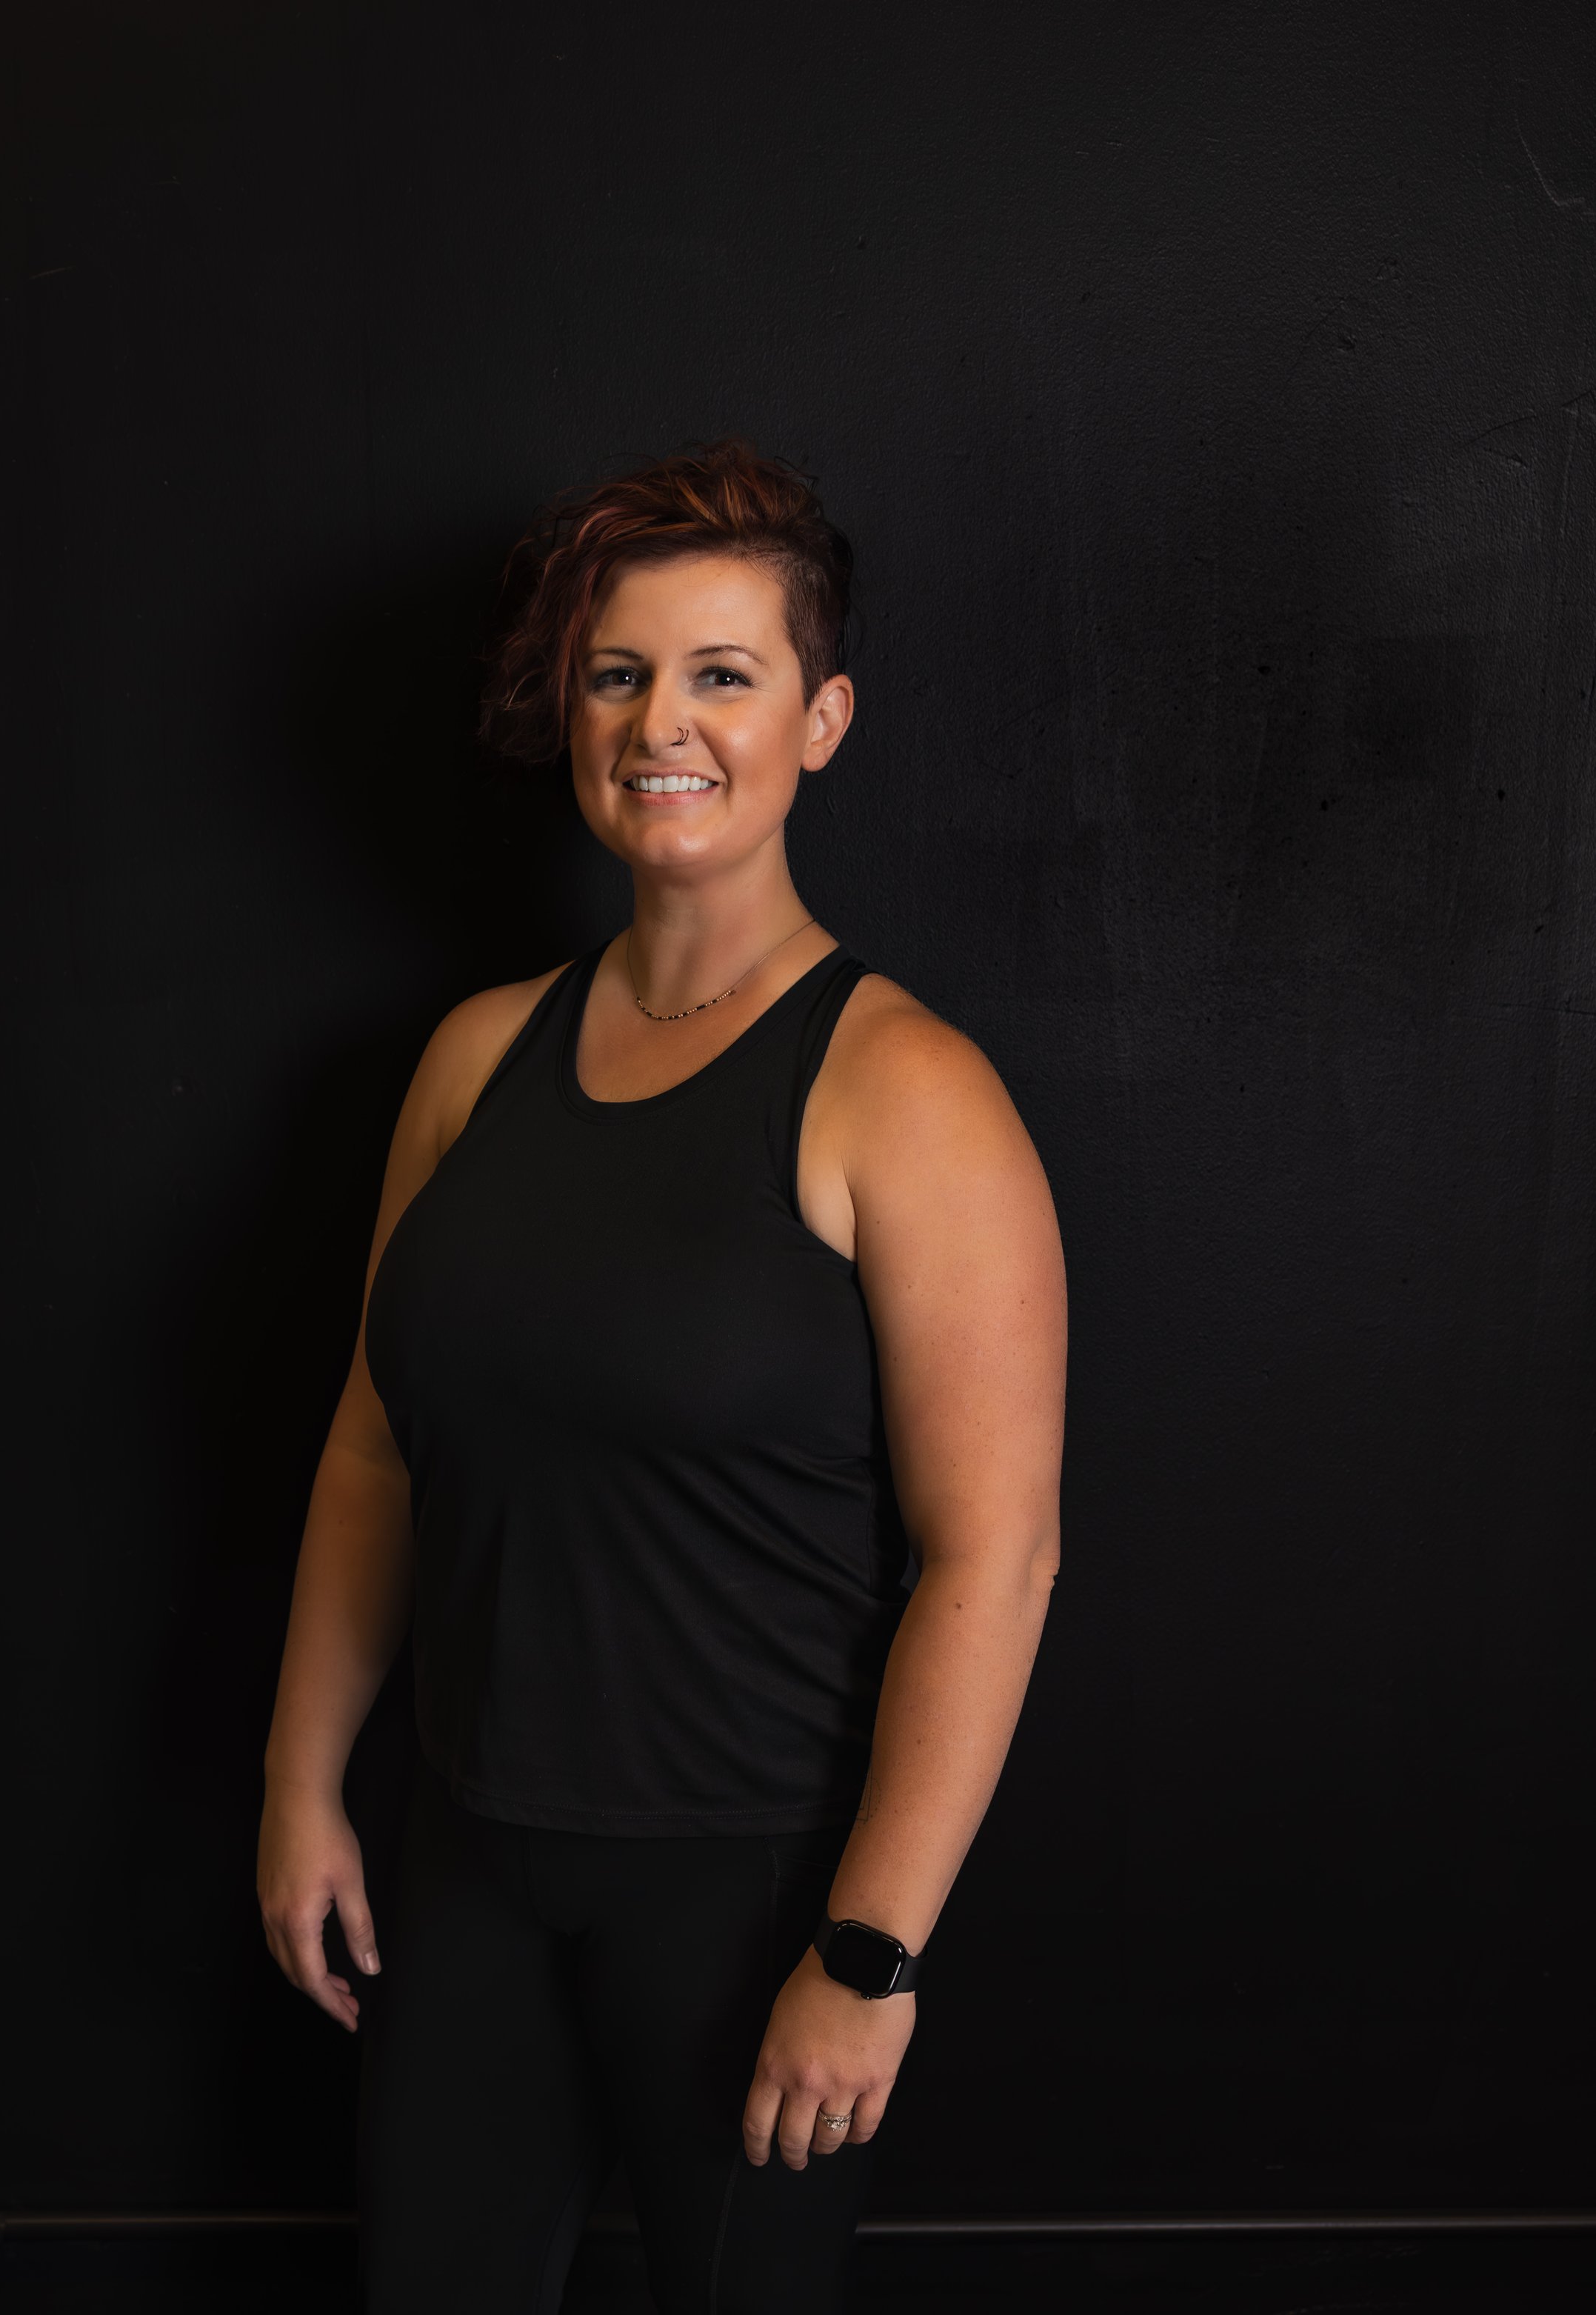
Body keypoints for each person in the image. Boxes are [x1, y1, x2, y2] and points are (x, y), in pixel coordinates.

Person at [256, 440, 1066, 2313]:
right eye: (618, 674)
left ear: (821, 718)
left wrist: (869, 1957)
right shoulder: (474, 1060)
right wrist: (305, 1785)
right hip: (463, 1866)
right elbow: (377, 1449)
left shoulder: (904, 1093)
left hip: (749, 1894)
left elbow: (993, 1559)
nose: (660, 724)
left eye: (724, 675)